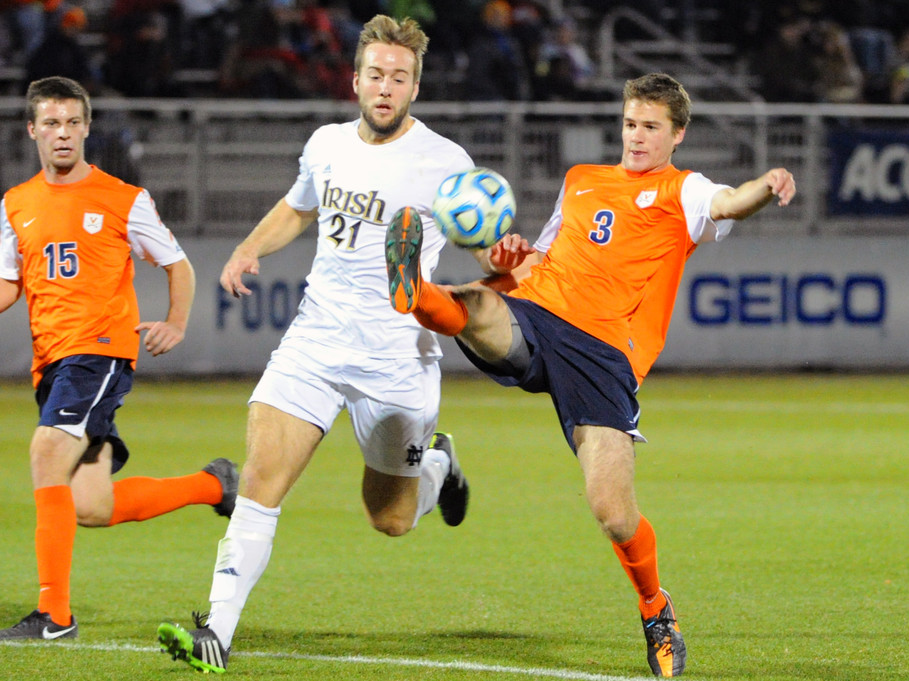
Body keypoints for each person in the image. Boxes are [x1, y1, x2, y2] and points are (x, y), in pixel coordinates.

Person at [386, 72, 796, 677]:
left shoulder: (683, 191)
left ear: (677, 135)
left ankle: (656, 610)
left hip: (605, 354)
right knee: (472, 304)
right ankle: (413, 292)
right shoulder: (581, 181)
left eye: (650, 128)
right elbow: (537, 263)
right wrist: (509, 258)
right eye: (630, 123)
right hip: (541, 313)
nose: (636, 137)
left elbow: (729, 202)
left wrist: (767, 184)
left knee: (612, 511)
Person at [156, 15, 530, 673]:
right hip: (317, 340)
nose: (386, 88)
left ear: (415, 88)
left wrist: (504, 254)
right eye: (377, 75)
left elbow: (485, 247)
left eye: (400, 78)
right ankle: (215, 628)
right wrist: (247, 248)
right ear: (355, 80)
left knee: (388, 518)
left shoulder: (446, 164)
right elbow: (299, 206)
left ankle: (439, 468)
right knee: (263, 477)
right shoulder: (326, 143)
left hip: (399, 361)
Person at [0, 76, 238, 641]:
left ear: (86, 128)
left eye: (72, 123)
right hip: (52, 363)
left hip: (100, 352)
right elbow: (8, 285)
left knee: (45, 453)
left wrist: (176, 322)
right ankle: (214, 485)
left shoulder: (123, 199)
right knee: (90, 506)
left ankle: (55, 617)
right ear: (32, 130)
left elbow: (178, 264)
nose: (62, 134)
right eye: (51, 124)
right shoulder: (15, 204)